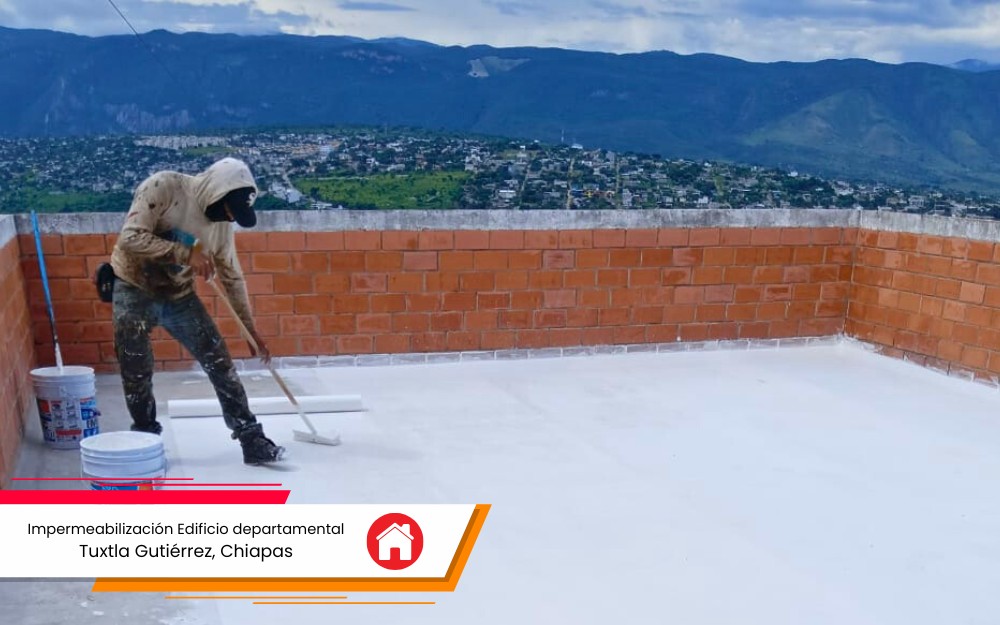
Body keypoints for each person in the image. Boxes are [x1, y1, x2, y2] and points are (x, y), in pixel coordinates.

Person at [109, 157, 285, 465]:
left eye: (235, 214)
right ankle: (145, 438)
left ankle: (251, 438)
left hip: (179, 295)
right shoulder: (165, 187)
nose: (229, 218)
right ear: (216, 192)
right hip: (133, 287)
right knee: (135, 367)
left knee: (220, 362)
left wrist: (250, 330)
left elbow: (232, 276)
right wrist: (184, 253)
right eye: (229, 209)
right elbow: (130, 237)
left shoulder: (221, 229)